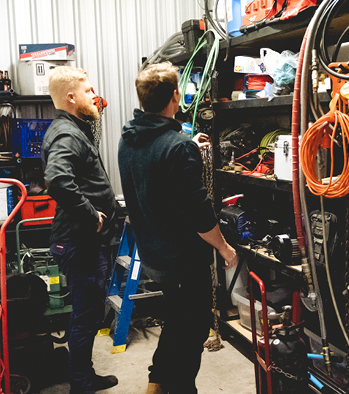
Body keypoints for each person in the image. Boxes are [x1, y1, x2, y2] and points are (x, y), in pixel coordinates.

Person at [118, 62, 239, 394]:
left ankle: (156, 383)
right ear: (175, 95)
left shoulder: (128, 139)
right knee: (192, 331)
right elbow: (199, 214)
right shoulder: (177, 146)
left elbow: (156, 162)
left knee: (176, 321)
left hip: (154, 253)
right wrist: (224, 248)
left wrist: (184, 143)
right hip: (184, 260)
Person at [42, 66, 119, 394]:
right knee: (86, 317)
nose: (93, 95)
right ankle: (81, 384)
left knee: (87, 315)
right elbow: (57, 178)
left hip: (84, 240)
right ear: (70, 97)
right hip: (80, 240)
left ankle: (84, 377)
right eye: (88, 91)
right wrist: (91, 216)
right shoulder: (67, 133)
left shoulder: (73, 128)